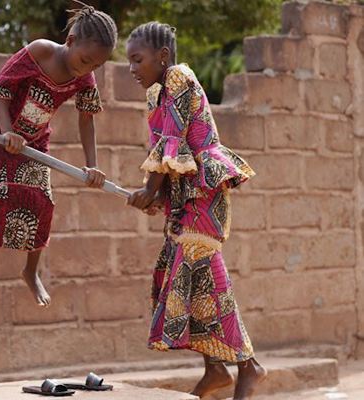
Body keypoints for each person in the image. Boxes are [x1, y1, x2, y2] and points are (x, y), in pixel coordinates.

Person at [125, 21, 266, 399]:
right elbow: (168, 158)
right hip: (183, 198)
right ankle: (216, 369)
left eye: (138, 60)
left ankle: (248, 366)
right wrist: (154, 197)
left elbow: (172, 141)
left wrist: (148, 189)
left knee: (205, 275)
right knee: (186, 279)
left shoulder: (178, 79)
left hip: (203, 195)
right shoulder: (157, 93)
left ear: (163, 56)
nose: (132, 69)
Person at [0, 2, 117, 306]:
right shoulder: (41, 51)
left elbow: (87, 118)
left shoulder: (85, 78)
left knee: (42, 198)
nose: (87, 69)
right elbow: (0, 90)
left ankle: (31, 271)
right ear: (70, 42)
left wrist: (92, 166)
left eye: (96, 66)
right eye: (85, 60)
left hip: (35, 136)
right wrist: (5, 134)